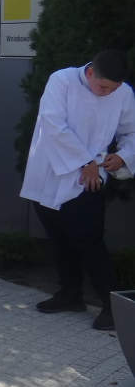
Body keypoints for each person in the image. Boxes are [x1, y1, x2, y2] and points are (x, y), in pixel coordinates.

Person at [20, 49, 135, 331]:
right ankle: (70, 294)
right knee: (59, 237)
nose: (107, 93)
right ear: (91, 72)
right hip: (50, 172)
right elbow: (53, 124)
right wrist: (85, 161)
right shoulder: (62, 81)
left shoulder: (123, 93)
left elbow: (131, 131)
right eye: (103, 87)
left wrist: (123, 156)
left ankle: (112, 307)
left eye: (113, 89)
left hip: (89, 179)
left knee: (89, 239)